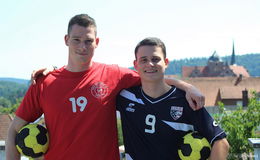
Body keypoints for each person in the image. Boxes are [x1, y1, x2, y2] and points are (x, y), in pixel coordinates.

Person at [6, 14, 205, 160]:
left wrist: (187, 86)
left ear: (97, 42)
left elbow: (152, 77)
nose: (82, 46)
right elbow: (14, 130)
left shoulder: (113, 75)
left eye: (88, 41)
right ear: (67, 40)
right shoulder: (44, 82)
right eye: (76, 39)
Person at [116, 37, 229, 160]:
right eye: (144, 60)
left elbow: (221, 143)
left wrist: (186, 87)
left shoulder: (187, 101)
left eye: (155, 59)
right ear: (135, 65)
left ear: (166, 62)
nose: (150, 64)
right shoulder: (125, 97)